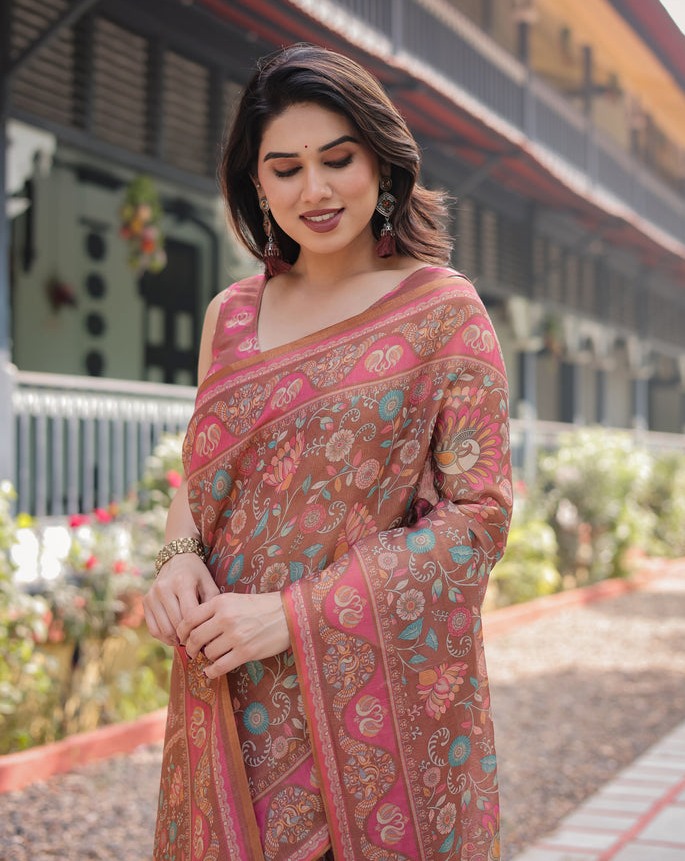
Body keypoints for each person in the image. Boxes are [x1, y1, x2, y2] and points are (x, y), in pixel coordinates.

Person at [143, 43, 513, 861]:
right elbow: (202, 477)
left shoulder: (443, 314)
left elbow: (479, 518)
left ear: (381, 163)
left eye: (337, 159)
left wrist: (293, 617)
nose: (314, 190)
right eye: (285, 168)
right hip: (227, 682)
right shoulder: (230, 315)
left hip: (370, 700)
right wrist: (174, 559)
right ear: (256, 185)